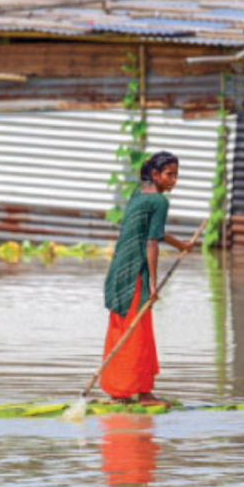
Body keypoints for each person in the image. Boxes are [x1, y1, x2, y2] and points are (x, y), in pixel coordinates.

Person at [100, 151, 192, 406]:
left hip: (119, 268)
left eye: (176, 175)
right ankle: (141, 392)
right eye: (169, 175)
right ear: (155, 174)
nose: (174, 180)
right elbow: (151, 242)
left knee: (122, 327)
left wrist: (181, 245)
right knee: (138, 330)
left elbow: (155, 232)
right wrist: (152, 283)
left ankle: (121, 390)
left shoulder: (138, 194)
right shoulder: (159, 202)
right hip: (135, 272)